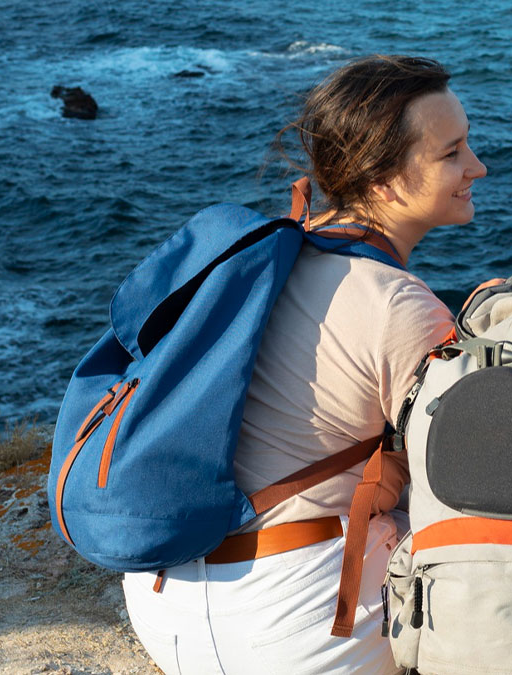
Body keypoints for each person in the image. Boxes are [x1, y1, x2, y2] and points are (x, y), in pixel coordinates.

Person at [121, 55, 486, 674]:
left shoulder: (263, 258)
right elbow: (469, 480)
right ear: (385, 181)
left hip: (164, 603)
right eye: (452, 153)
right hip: (294, 634)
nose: (477, 167)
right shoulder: (397, 305)